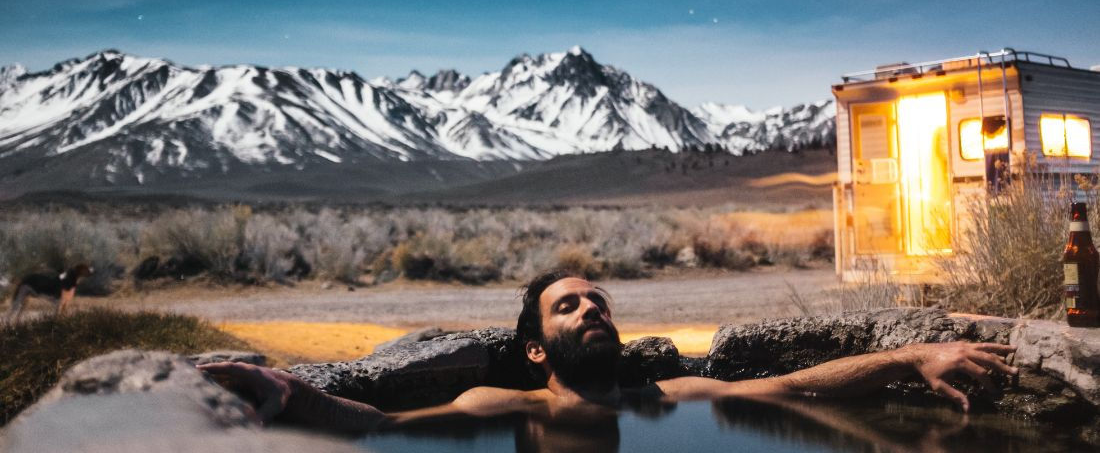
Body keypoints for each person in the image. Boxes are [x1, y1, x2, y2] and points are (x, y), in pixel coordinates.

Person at [199, 270, 1017, 433]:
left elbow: (799, 384)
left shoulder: (672, 398)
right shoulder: (501, 406)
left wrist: (913, 359)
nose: (591, 307)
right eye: (568, 304)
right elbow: (380, 426)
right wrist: (285, 391)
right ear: (532, 351)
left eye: (599, 301)